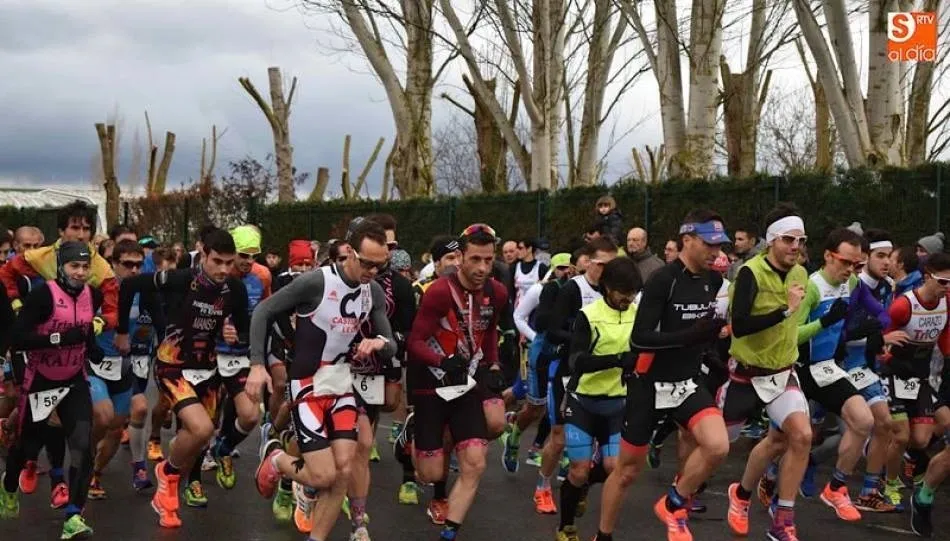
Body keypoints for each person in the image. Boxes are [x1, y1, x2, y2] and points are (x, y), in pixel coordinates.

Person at [249, 220, 396, 541]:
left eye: (380, 265)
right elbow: (263, 312)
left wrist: (380, 344)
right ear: (349, 253)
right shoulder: (317, 281)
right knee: (323, 474)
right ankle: (276, 460)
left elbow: (390, 342)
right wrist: (258, 364)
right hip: (306, 384)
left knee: (343, 471)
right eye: (367, 263)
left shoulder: (372, 292)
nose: (373, 271)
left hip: (341, 383)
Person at [599, 211, 730, 541]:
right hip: (650, 383)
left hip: (685, 382)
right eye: (708, 244)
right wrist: (688, 336)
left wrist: (712, 343)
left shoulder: (713, 280)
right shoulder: (663, 279)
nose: (715, 252)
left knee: (717, 446)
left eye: (720, 245)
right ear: (687, 240)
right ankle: (603, 535)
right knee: (626, 471)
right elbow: (639, 338)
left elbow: (705, 328)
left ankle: (674, 502)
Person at [115, 228, 250, 529]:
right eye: (217, 261)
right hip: (172, 365)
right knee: (201, 428)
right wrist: (123, 330)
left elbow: (243, 327)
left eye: (230, 263)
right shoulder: (179, 279)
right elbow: (130, 286)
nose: (224, 269)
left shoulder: (235, 290)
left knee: (201, 436)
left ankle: (171, 479)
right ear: (203, 255)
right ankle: (169, 475)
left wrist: (235, 333)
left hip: (208, 368)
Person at [405, 223, 508, 541]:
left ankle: (449, 533)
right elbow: (415, 342)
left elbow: (489, 329)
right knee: (431, 473)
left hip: (465, 381)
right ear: (460, 257)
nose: (482, 268)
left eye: (488, 260)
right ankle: (411, 436)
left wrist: (492, 363)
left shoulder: (497, 292)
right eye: (475, 259)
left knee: (475, 461)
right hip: (430, 382)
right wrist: (442, 362)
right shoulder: (438, 292)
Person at [721, 203, 811, 541]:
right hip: (745, 373)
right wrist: (784, 310)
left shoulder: (801, 273)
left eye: (800, 240)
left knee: (800, 436)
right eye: (788, 239)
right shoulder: (749, 273)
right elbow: (740, 326)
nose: (795, 247)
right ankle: (690, 495)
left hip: (781, 373)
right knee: (716, 447)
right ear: (772, 240)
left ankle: (782, 520)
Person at [0, 242, 101, 539]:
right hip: (42, 380)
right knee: (27, 447)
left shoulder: (90, 294)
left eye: (85, 267)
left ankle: (73, 516)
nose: (81, 273)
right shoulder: (44, 295)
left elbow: (84, 332)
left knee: (83, 446)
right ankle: (8, 484)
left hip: (74, 380)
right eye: (74, 267)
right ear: (61, 267)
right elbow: (19, 340)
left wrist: (92, 349)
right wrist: (58, 338)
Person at [556, 257, 641, 541]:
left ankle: (585, 494)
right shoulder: (588, 315)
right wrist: (617, 360)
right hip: (583, 402)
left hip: (618, 403)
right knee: (578, 471)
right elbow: (577, 360)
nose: (626, 299)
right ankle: (566, 526)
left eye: (631, 293)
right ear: (606, 287)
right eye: (622, 292)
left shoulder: (636, 313)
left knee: (615, 469)